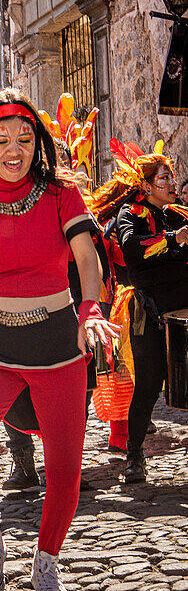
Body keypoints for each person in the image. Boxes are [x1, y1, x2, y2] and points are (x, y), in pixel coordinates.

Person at [0, 89, 118, 591]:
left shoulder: (61, 193)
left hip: (58, 344)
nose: (14, 149)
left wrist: (91, 309)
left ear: (37, 143)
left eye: (24, 138)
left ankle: (47, 559)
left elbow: (86, 259)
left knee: (65, 466)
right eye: (1, 139)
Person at [90, 145, 188, 483]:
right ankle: (134, 456)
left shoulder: (179, 214)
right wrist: (173, 239)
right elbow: (134, 251)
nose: (173, 182)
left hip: (183, 312)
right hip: (148, 311)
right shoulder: (130, 214)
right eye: (165, 177)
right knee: (147, 385)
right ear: (146, 186)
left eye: (172, 176)